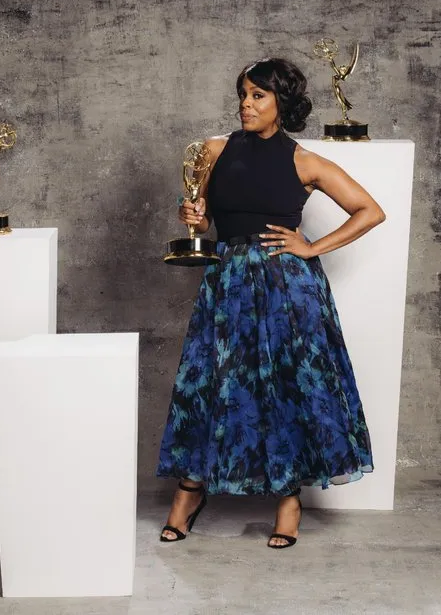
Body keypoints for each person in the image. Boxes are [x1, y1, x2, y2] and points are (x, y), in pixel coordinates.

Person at [156, 57, 386, 549]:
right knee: (211, 384)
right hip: (227, 285)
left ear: (283, 102)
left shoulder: (304, 161)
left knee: (286, 387)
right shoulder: (213, 151)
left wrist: (311, 247)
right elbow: (201, 228)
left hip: (288, 289)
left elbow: (371, 211)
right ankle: (190, 492)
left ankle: (288, 498)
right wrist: (192, 217)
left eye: (258, 95)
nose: (246, 103)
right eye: (243, 93)